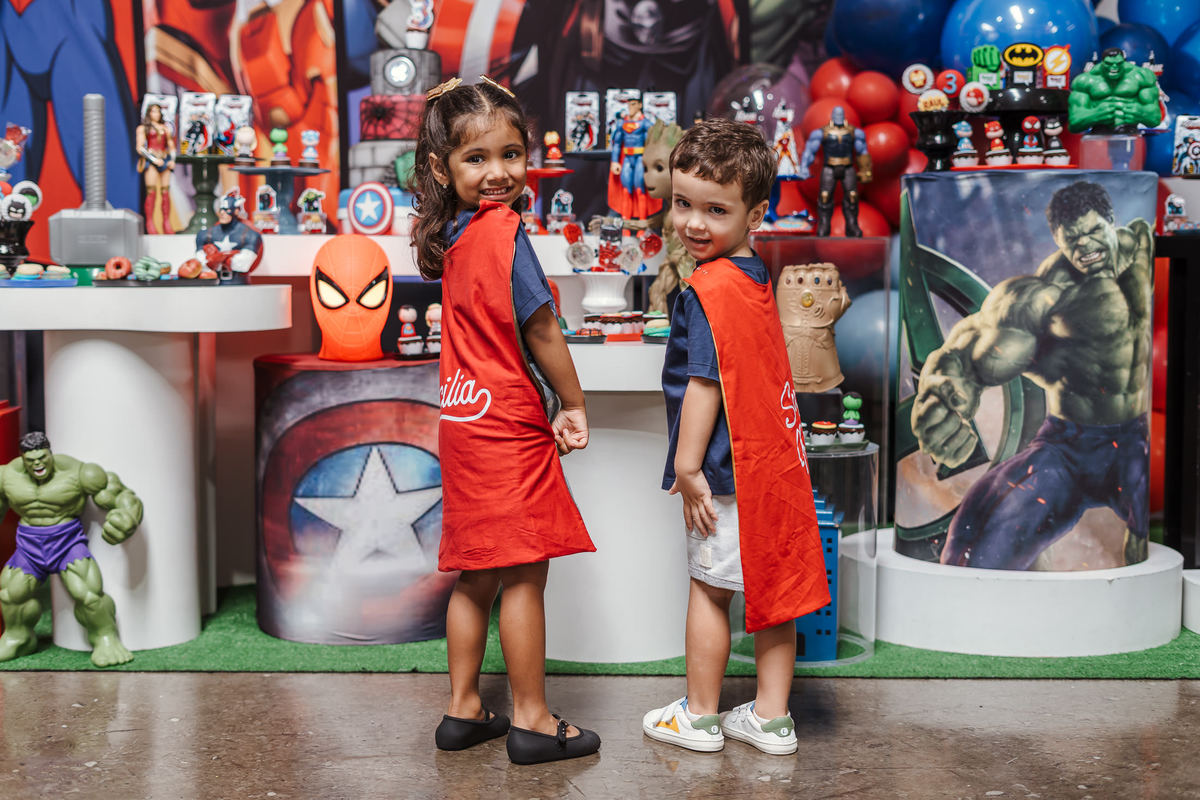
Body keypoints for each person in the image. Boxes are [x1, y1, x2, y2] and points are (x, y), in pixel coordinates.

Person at [412, 75, 601, 765]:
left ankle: (464, 709)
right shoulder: (505, 231)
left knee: (476, 573)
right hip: (506, 426)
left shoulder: (452, 235)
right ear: (442, 169)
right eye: (477, 158)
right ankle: (532, 720)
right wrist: (574, 402)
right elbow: (542, 328)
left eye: (511, 154)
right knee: (523, 573)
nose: (498, 173)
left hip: (462, 423)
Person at [642, 118, 829, 755]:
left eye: (715, 210)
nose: (694, 223)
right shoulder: (752, 275)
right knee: (775, 593)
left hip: (725, 472)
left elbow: (705, 385)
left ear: (756, 214)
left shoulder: (707, 289)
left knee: (710, 589)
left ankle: (699, 717)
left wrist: (687, 468)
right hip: (775, 467)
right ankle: (771, 718)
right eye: (683, 204)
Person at [912, 181, 1153, 570]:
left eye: (1094, 231)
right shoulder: (1046, 297)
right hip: (1071, 446)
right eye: (1072, 240)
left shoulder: (1143, 246)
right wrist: (940, 396)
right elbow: (965, 354)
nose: (1085, 247)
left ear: (1111, 222)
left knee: (1143, 545)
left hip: (1134, 442)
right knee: (977, 536)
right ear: (1058, 240)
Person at [0, 432, 143, 667]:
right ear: (23, 459)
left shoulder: (80, 473)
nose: (37, 464)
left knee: (89, 594)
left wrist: (127, 517)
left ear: (50, 454)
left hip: (66, 544)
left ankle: (105, 638)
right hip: (29, 547)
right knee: (10, 593)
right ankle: (19, 638)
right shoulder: (7, 477)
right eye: (31, 460)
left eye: (42, 458)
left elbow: (123, 496)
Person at [136, 103, 176, 234]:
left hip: (164, 159)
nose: (156, 114)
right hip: (152, 161)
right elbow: (140, 148)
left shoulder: (165, 128)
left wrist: (172, 160)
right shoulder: (143, 128)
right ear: (149, 113)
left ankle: (166, 223)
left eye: (158, 111)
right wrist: (153, 159)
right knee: (151, 192)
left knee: (165, 192)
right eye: (153, 111)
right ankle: (150, 223)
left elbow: (171, 145)